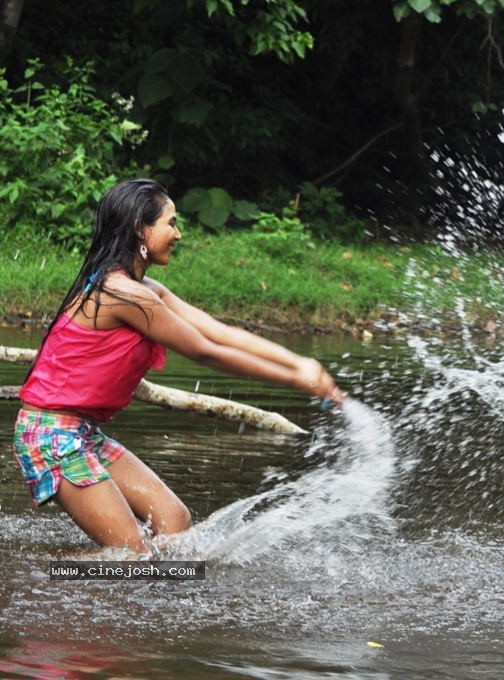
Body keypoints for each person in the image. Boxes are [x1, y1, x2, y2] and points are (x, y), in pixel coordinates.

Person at [12, 178, 346, 553]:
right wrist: (294, 379)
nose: (179, 234)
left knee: (174, 522)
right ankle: (51, 584)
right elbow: (205, 352)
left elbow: (218, 332)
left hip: (80, 431)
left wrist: (299, 362)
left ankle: (148, 603)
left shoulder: (145, 289)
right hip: (52, 435)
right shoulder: (124, 295)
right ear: (140, 228)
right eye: (171, 223)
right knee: (132, 555)